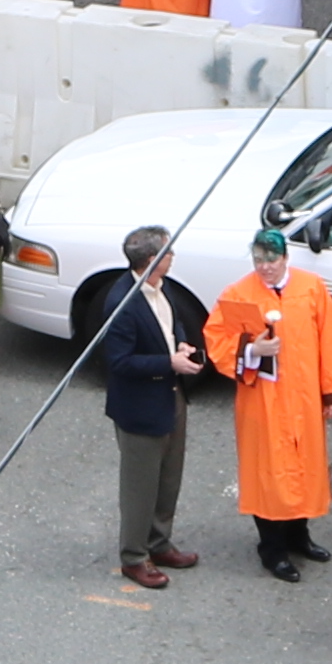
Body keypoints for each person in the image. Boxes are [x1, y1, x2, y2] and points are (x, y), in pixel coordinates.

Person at [203, 225, 332, 580]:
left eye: (271, 260)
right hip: (263, 401)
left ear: (285, 257)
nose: (265, 267)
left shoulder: (311, 288)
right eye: (258, 260)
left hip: (303, 399)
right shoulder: (238, 295)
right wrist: (252, 350)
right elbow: (217, 339)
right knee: (268, 474)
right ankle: (272, 548)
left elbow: (330, 340)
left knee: (303, 467)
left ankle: (299, 536)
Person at [96, 223, 210, 589]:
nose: (173, 256)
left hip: (170, 397)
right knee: (139, 488)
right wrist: (168, 364)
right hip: (140, 408)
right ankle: (134, 557)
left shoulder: (162, 288)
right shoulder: (121, 304)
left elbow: (172, 323)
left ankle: (159, 543)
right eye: (168, 252)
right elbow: (119, 362)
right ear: (150, 261)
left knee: (168, 478)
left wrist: (178, 345)